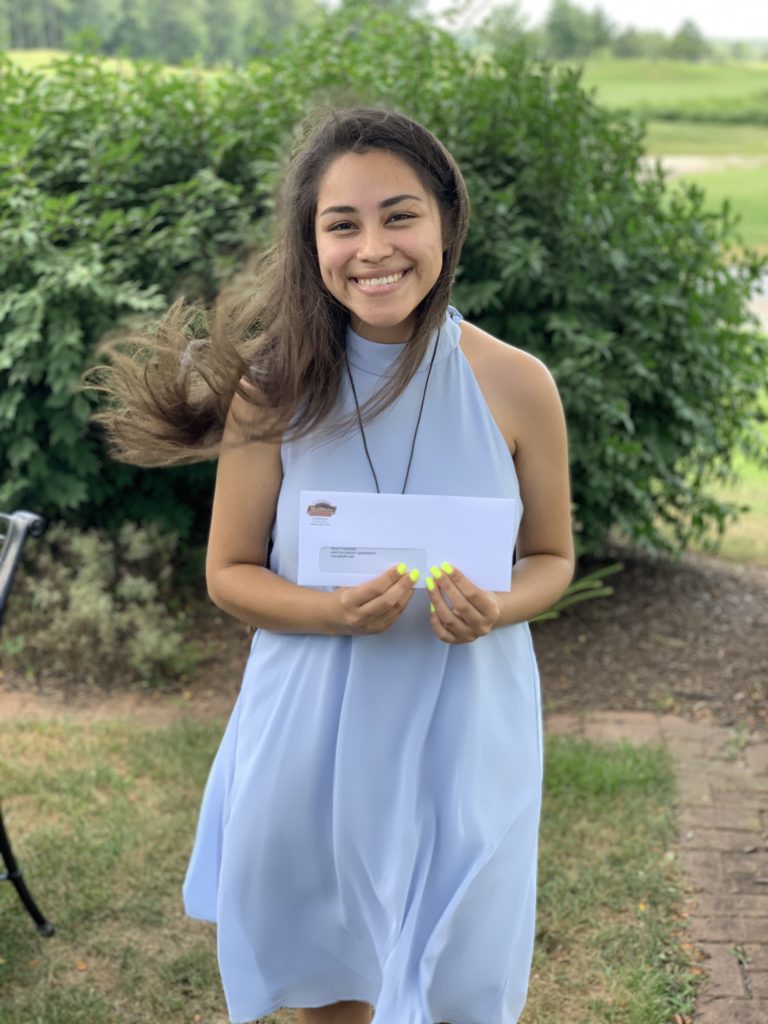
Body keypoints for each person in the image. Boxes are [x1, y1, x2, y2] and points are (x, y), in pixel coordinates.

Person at [98, 107, 574, 1024]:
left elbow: (552, 557)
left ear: (447, 222)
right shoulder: (274, 388)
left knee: (455, 979)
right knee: (331, 976)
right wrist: (330, 612)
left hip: (466, 724)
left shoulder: (518, 383)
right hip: (311, 722)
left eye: (400, 216)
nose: (373, 249)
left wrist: (501, 604)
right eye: (342, 224)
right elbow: (230, 572)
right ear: (310, 241)